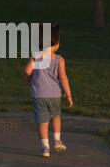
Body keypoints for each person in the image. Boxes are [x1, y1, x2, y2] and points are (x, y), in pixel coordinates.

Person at [24, 23, 73, 158]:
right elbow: (63, 78)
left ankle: (45, 147)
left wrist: (30, 81)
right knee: (56, 116)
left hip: (38, 95)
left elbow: (27, 71)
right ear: (56, 43)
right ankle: (57, 140)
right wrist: (68, 94)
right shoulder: (59, 60)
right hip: (54, 95)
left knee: (42, 122)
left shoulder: (36, 56)